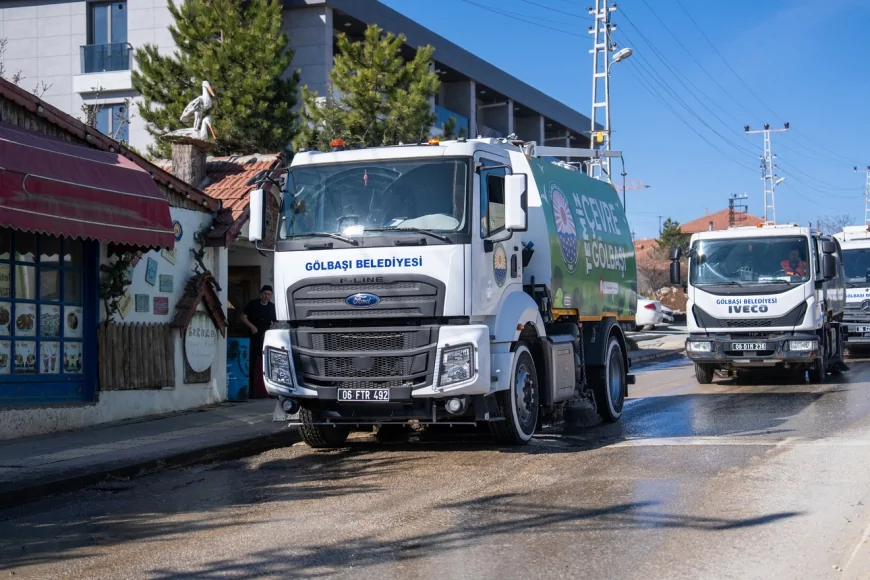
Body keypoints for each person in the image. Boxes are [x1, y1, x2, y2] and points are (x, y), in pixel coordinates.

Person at [240, 285, 277, 399]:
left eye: (269, 294)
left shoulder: (272, 307)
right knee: (249, 364)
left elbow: (276, 321)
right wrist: (252, 327)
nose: (266, 296)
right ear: (261, 294)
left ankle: (271, 391)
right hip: (252, 337)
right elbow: (242, 317)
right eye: (265, 294)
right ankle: (249, 392)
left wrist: (270, 331)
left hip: (265, 339)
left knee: (267, 365)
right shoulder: (253, 304)